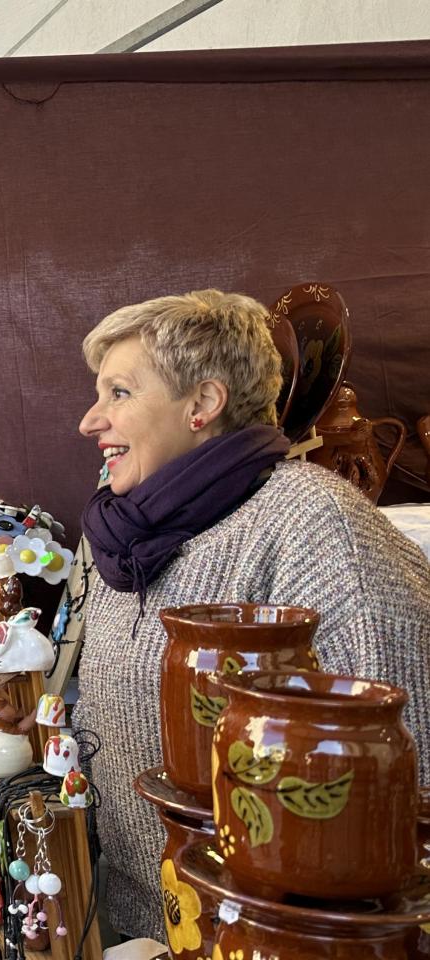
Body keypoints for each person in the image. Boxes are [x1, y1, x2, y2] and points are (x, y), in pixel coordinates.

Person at [73, 289, 430, 940]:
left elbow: (411, 775)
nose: (90, 421)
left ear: (203, 404)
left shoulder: (320, 535)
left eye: (119, 393)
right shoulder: (124, 535)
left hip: (254, 943)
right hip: (134, 925)